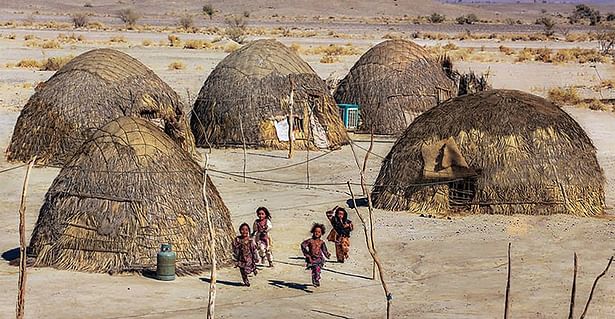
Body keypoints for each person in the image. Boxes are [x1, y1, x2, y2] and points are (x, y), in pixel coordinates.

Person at [300, 223, 331, 287]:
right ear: (313, 232)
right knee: (314, 269)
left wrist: (327, 255)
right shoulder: (310, 241)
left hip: (319, 259)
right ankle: (315, 279)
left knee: (317, 269)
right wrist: (307, 254)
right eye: (315, 231)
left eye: (319, 232)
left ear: (321, 233)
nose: (317, 233)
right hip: (311, 258)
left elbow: (324, 250)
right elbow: (303, 245)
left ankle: (316, 280)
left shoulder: (322, 242)